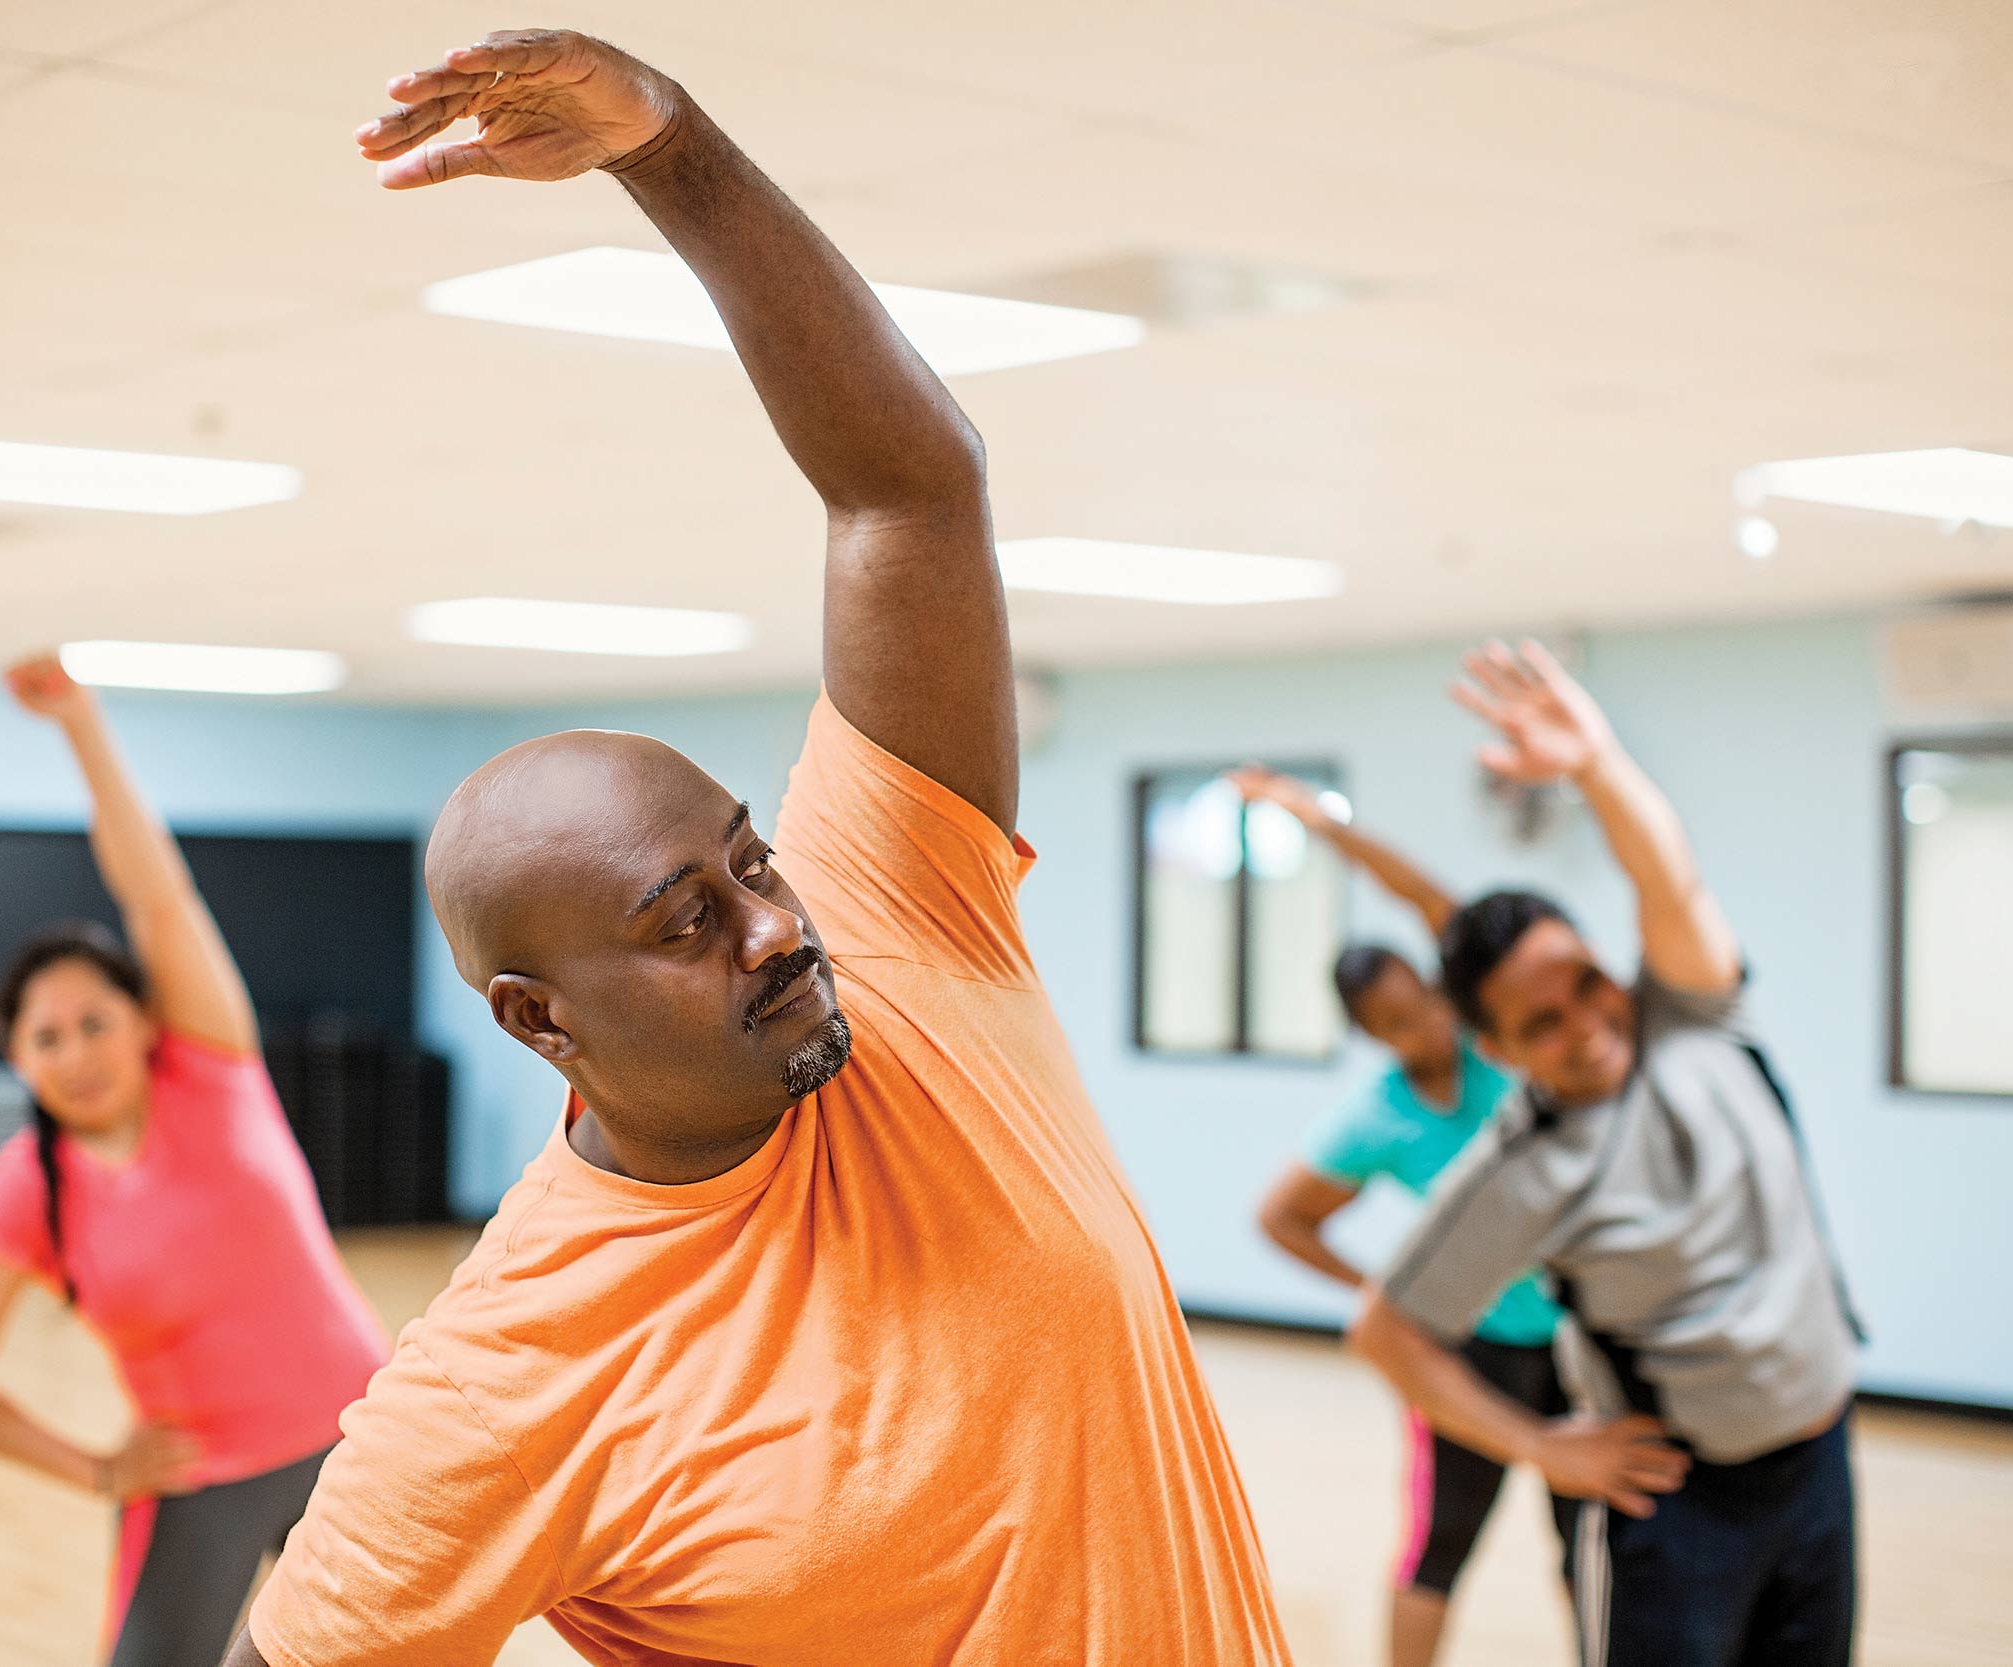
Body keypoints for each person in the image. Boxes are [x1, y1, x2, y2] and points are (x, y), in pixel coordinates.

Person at [227, 28, 1291, 1667]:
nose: (773, 927)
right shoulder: (508, 1378)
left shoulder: (907, 932)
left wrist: (675, 149)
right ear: (536, 1016)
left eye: (752, 862)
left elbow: (908, 496)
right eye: (679, 922)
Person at [1349, 640, 1862, 1667]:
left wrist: (1595, 765)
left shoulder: (1694, 1014)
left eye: (1585, 981)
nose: (1586, 1021)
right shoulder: (1518, 1170)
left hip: (1819, 1462)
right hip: (1676, 1507)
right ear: (1495, 1048)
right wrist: (1537, 1445)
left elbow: (1666, 876)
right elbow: (1387, 1331)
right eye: (1541, 1021)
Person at [0, 657, 391, 1667]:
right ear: (16, 1058)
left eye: (93, 1020)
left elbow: (156, 893)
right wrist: (92, 1467)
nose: (75, 1051)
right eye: (46, 1036)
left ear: (141, 1019)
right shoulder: (24, 1189)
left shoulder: (210, 1070)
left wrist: (79, 722)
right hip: (197, 1479)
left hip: (362, 1440)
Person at [1228, 766, 1578, 1667]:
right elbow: (1283, 1216)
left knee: (1595, 1544)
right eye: (1393, 1020)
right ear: (1373, 1034)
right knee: (1440, 1544)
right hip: (1471, 1345)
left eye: (1421, 999)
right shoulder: (1376, 1117)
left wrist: (1320, 821)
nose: (1419, 1023)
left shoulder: (1492, 1034)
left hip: (1582, 1330)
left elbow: (1427, 896)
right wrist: (1379, 1284)